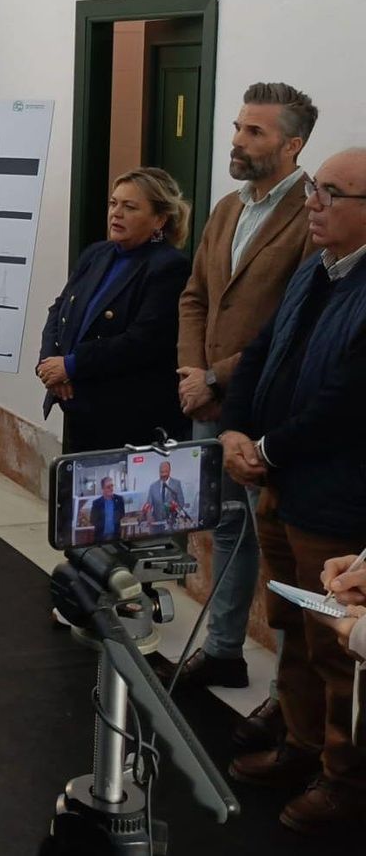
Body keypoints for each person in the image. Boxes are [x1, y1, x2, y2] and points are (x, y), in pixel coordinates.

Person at [219, 148, 366, 835]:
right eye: (315, 188)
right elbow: (258, 351)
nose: (313, 202)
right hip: (279, 484)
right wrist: (235, 431)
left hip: (337, 502)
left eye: (331, 193)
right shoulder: (315, 268)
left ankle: (344, 780)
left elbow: (348, 402)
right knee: (293, 629)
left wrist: (266, 449)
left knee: (338, 649)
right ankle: (301, 746)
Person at [164, 83, 318, 731]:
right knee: (226, 524)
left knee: (280, 542)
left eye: (254, 133)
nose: (237, 140)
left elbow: (294, 320)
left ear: (292, 144)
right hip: (208, 394)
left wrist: (219, 379)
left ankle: (291, 695)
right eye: (237, 127)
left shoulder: (311, 216)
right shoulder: (228, 207)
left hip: (268, 404)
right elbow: (196, 294)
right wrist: (192, 370)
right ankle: (225, 649)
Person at [37, 168, 192, 452]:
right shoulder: (98, 253)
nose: (116, 213)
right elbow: (59, 309)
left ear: (159, 219)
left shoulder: (169, 267)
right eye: (113, 203)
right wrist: (50, 363)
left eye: (129, 207)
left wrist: (72, 365)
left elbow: (142, 341)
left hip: (125, 417)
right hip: (77, 405)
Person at [142, 461, 187, 532]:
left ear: (169, 471)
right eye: (161, 472)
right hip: (156, 525)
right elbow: (148, 504)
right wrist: (149, 515)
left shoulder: (176, 484)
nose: (163, 474)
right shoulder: (153, 486)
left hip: (172, 525)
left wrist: (174, 512)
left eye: (165, 471)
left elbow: (181, 502)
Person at [88, 476, 126, 540]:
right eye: (108, 487)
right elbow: (93, 520)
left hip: (115, 536)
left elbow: (122, 514)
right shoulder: (96, 503)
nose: (111, 489)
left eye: (112, 486)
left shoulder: (119, 500)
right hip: (100, 537)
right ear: (103, 489)